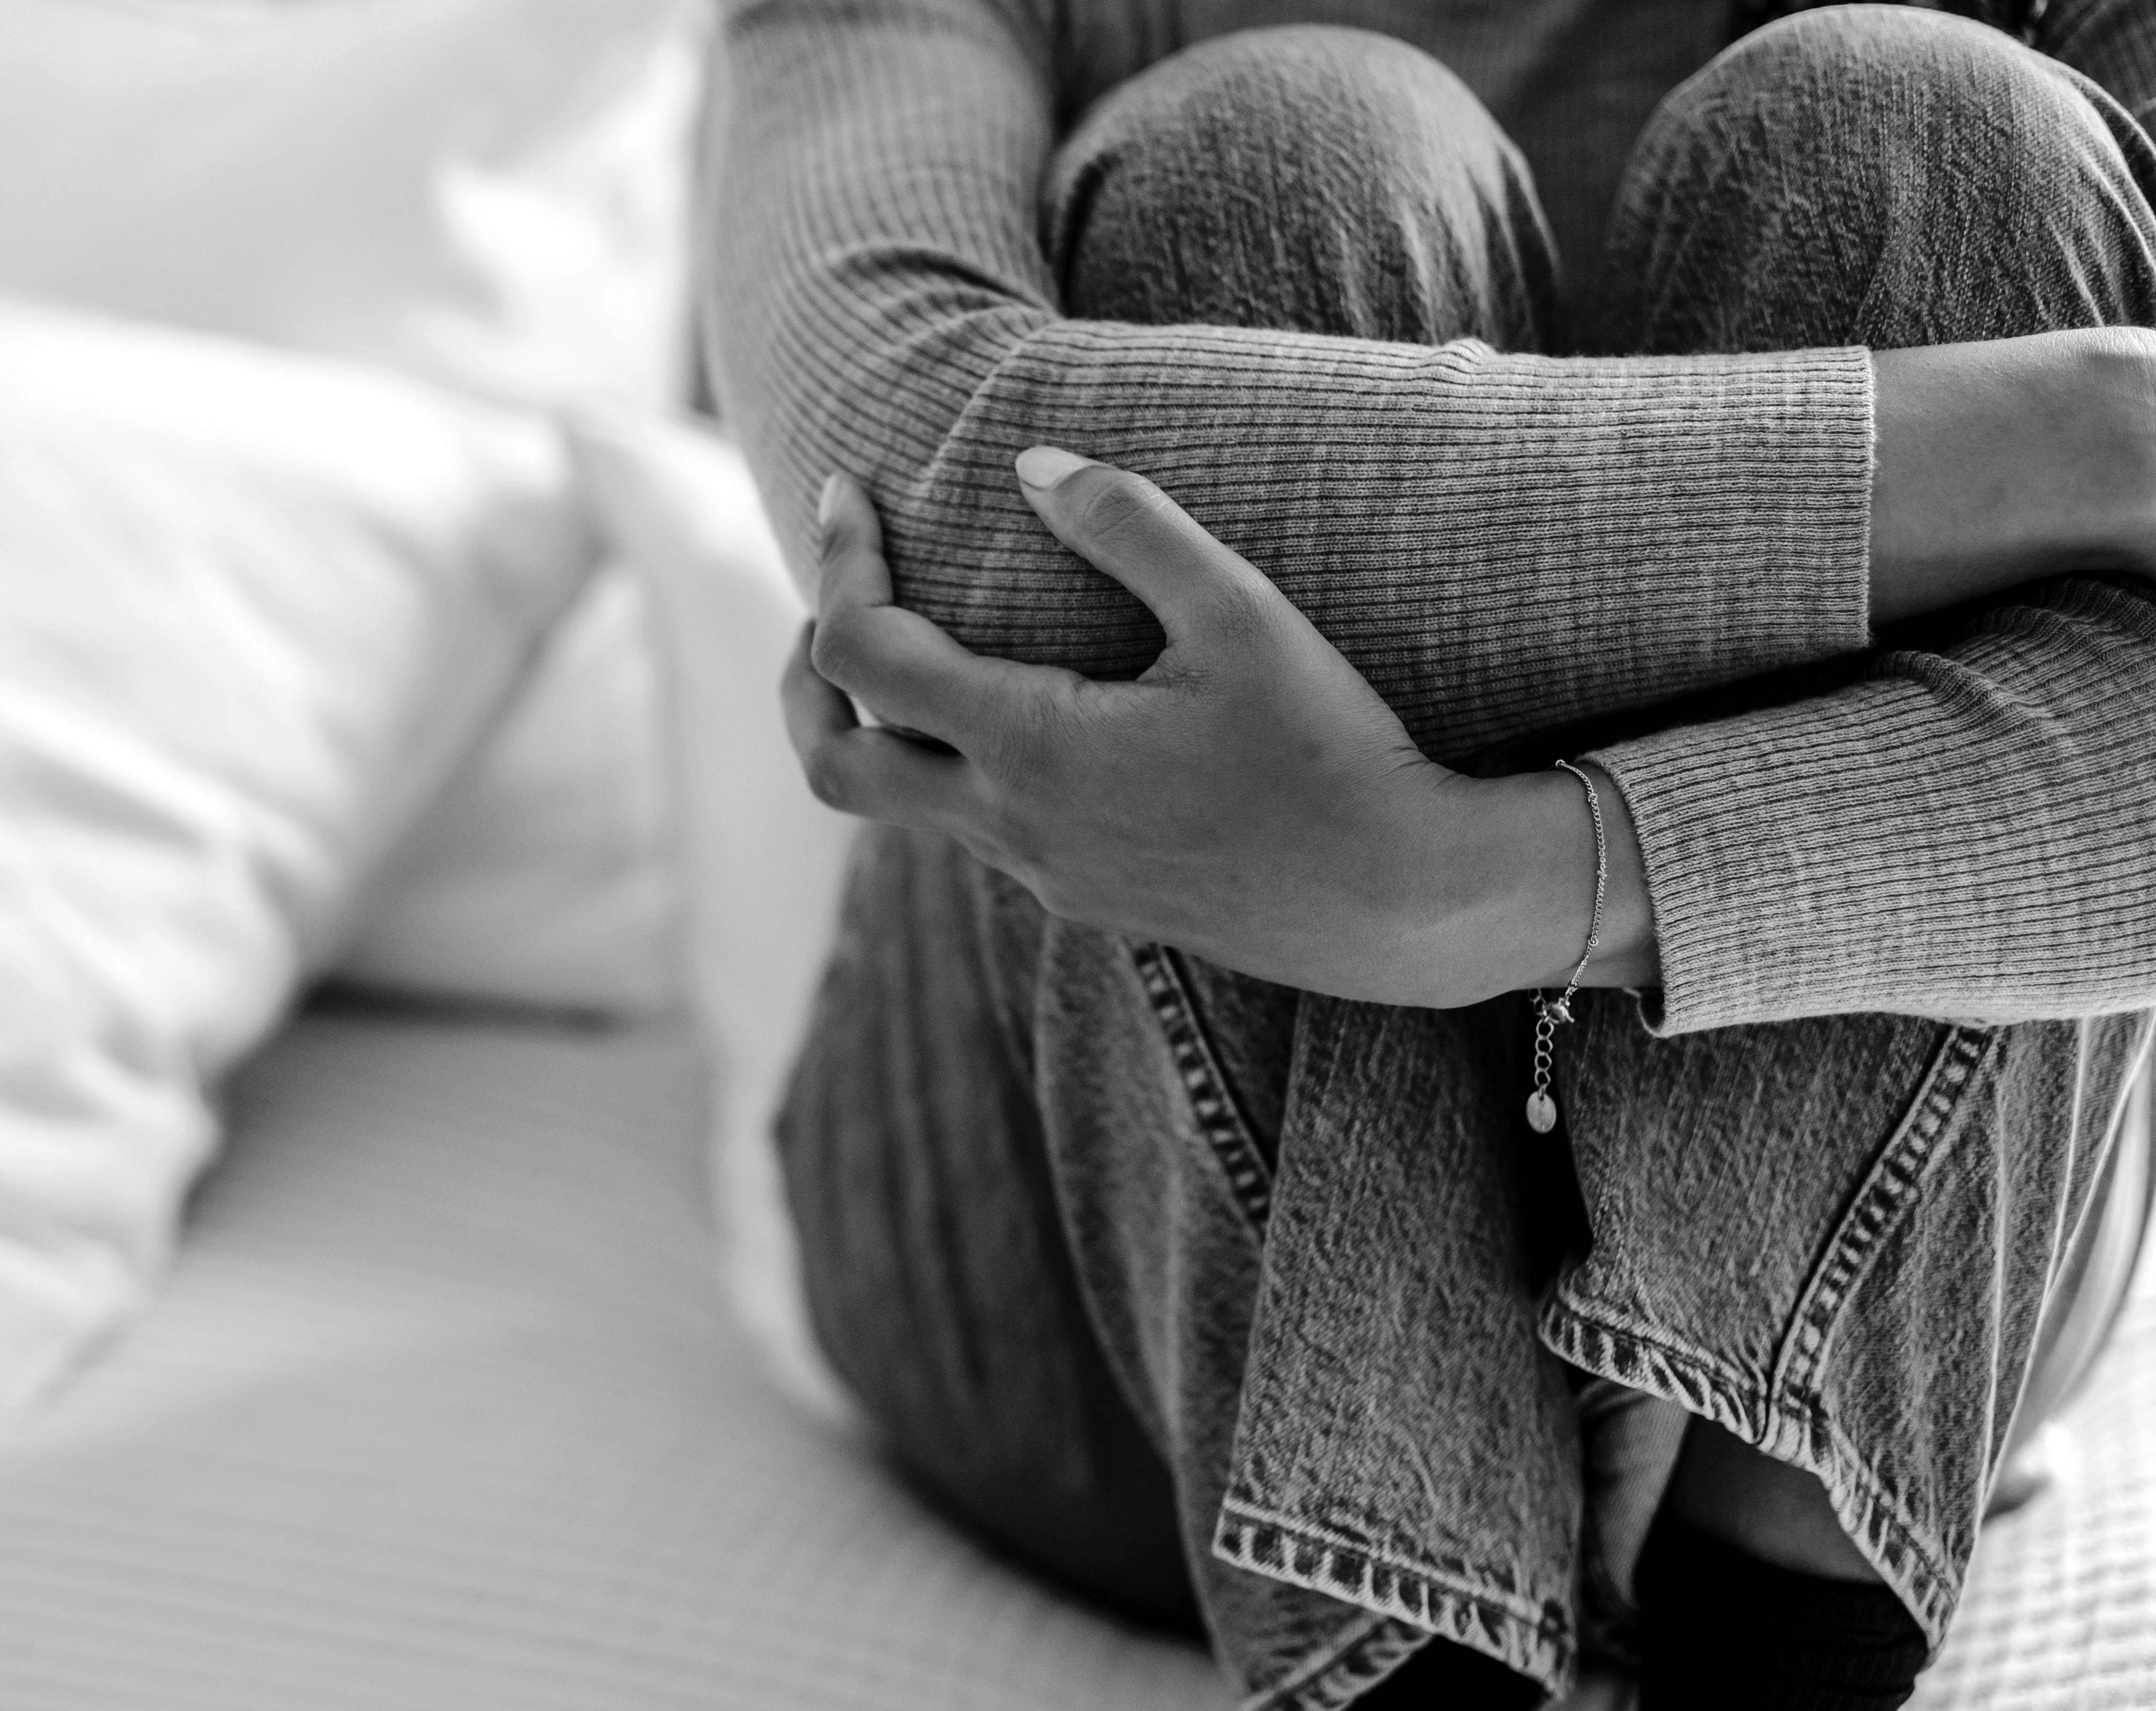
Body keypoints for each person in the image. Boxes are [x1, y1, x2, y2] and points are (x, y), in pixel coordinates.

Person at [702, 0, 2156, 1704]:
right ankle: (1404, 1655)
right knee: (1275, 156)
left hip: (1898, 1311)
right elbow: (932, 502)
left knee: (1938, 126)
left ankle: (1778, 1635)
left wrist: (1480, 884)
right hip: (1087, 1315)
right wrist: (2090, 434)